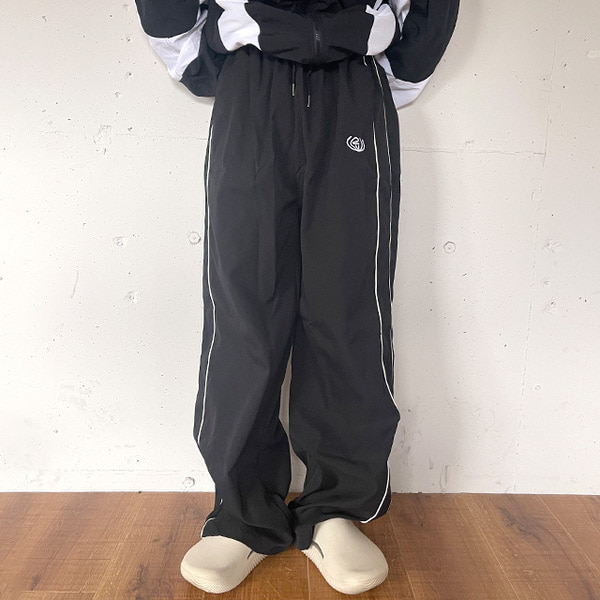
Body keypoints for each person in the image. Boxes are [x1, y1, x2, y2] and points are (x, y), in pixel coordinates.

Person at [135, 0, 459, 594]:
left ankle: (336, 509)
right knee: (244, 308)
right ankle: (241, 512)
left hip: (354, 85)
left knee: (349, 307)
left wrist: (393, 61)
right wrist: (203, 54)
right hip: (251, 85)